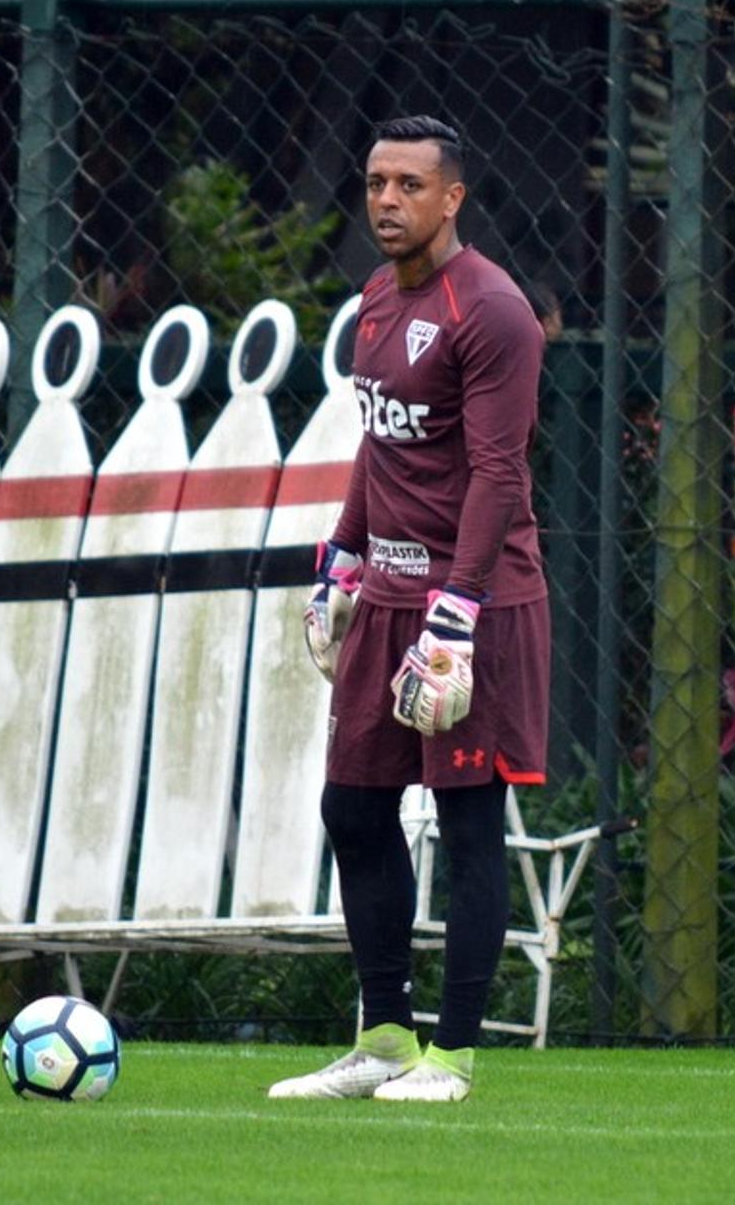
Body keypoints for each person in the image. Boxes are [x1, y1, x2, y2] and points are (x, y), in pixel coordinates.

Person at [271, 115, 549, 1104]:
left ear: (452, 198)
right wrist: (340, 558)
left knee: (470, 824)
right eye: (376, 181)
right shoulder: (378, 296)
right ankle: (383, 1039)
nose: (386, 200)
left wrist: (457, 611)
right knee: (351, 805)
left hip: (468, 605)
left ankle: (455, 1057)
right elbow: (378, 446)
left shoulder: (496, 312)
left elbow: (499, 474)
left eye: (409, 185)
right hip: (383, 595)